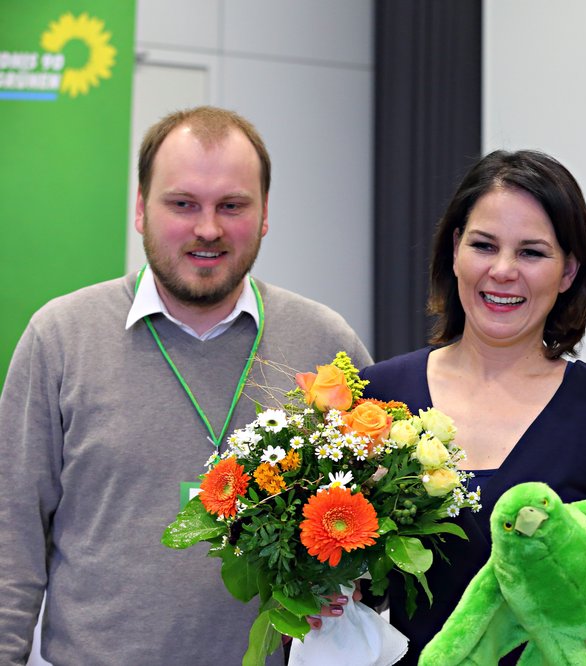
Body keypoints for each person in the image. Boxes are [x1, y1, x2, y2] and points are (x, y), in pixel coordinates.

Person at [0, 106, 371, 665]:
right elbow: (11, 538)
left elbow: (379, 525)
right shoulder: (60, 338)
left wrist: (354, 583)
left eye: (232, 205)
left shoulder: (325, 344)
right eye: (182, 204)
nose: (207, 228)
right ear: (140, 210)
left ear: (265, 214)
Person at [359, 149, 586, 664]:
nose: (502, 271)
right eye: (484, 245)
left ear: (569, 272)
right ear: (455, 251)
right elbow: (353, 578)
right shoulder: (379, 396)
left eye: (532, 253)